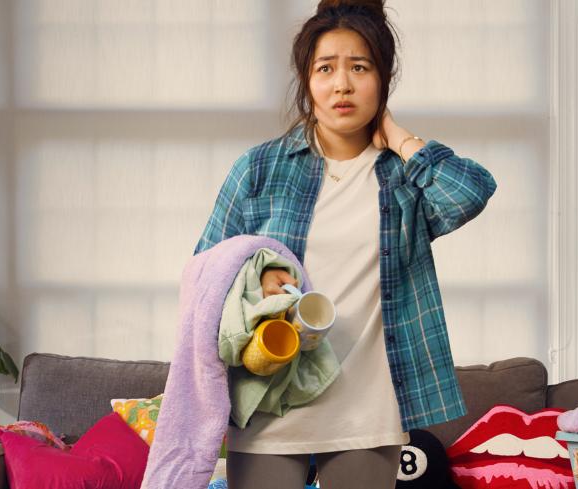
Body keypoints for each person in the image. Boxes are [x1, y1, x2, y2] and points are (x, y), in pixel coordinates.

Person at [192, 0, 498, 487]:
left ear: (384, 79)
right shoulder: (260, 168)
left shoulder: (403, 176)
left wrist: (399, 137)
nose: (342, 84)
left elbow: (470, 192)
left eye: (360, 67)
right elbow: (203, 276)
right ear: (306, 80)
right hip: (271, 402)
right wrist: (258, 277)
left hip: (368, 410)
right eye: (325, 68)